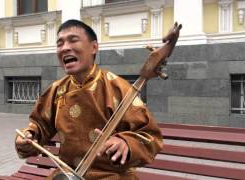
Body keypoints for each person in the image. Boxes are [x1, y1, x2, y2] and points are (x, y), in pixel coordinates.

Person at [15, 19, 163, 180]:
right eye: (60, 43)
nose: (65, 48)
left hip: (111, 175)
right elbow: (39, 125)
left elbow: (151, 137)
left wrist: (126, 143)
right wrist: (28, 136)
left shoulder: (117, 87)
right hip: (68, 174)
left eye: (73, 40)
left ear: (94, 47)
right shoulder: (57, 90)